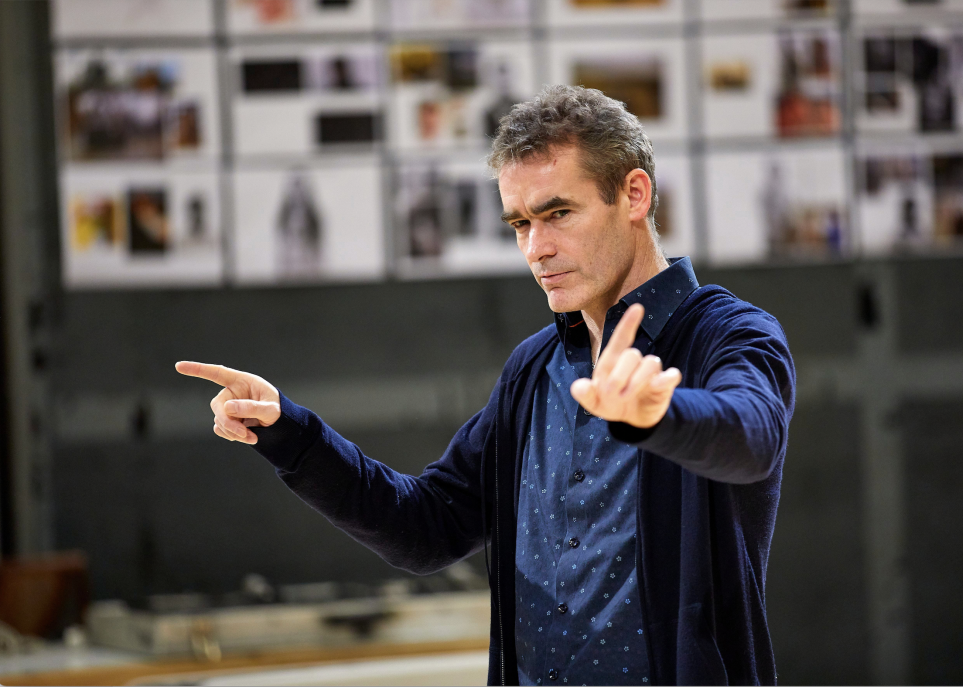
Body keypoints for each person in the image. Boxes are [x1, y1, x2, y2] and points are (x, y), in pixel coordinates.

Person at [176, 85, 796, 686]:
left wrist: (660, 413)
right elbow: (425, 528)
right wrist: (289, 434)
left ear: (634, 194)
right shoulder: (533, 369)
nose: (536, 248)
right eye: (520, 223)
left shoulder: (730, 333)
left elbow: (752, 436)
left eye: (558, 213)